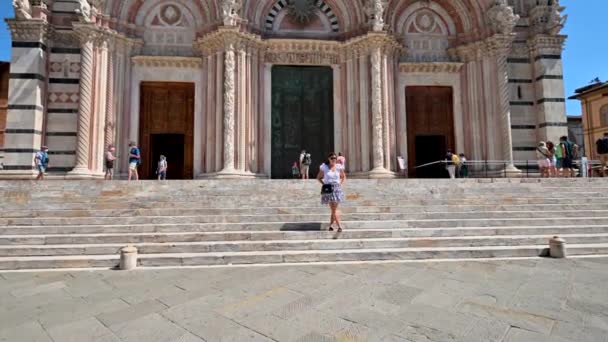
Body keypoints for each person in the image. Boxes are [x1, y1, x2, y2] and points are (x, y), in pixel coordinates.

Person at [317, 153, 346, 233]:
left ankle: (331, 225)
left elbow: (343, 176)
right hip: (328, 189)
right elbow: (318, 177)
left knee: (334, 209)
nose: (334, 159)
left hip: (336, 189)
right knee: (333, 209)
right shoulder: (324, 167)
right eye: (332, 158)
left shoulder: (339, 167)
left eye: (335, 158)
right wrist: (324, 184)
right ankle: (339, 226)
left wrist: (340, 184)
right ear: (329, 159)